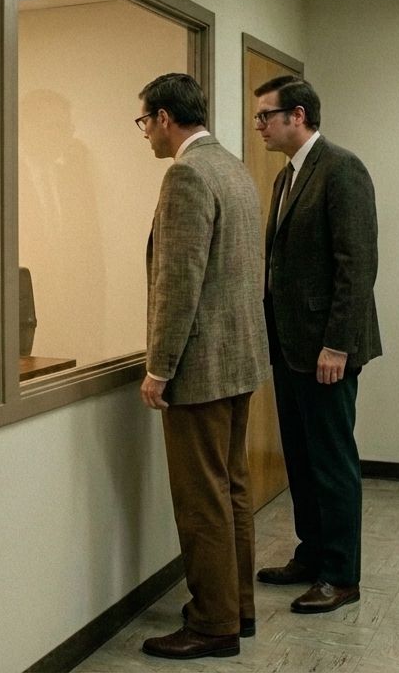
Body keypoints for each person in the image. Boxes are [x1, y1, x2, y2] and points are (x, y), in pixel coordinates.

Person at [135, 73, 270, 660]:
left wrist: (159, 366)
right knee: (232, 488)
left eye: (145, 123)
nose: (146, 136)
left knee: (201, 499)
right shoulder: (235, 168)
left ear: (165, 118)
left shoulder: (186, 174)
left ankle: (212, 623)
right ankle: (237, 608)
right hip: (239, 360)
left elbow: (178, 282)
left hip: (200, 370)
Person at [252, 75, 380, 615]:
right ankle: (310, 555)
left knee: (331, 461)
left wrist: (337, 345)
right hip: (289, 346)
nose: (259, 125)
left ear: (297, 116)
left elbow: (357, 265)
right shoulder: (286, 178)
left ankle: (340, 575)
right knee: (300, 459)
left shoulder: (341, 169)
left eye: (266, 116)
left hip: (327, 350)